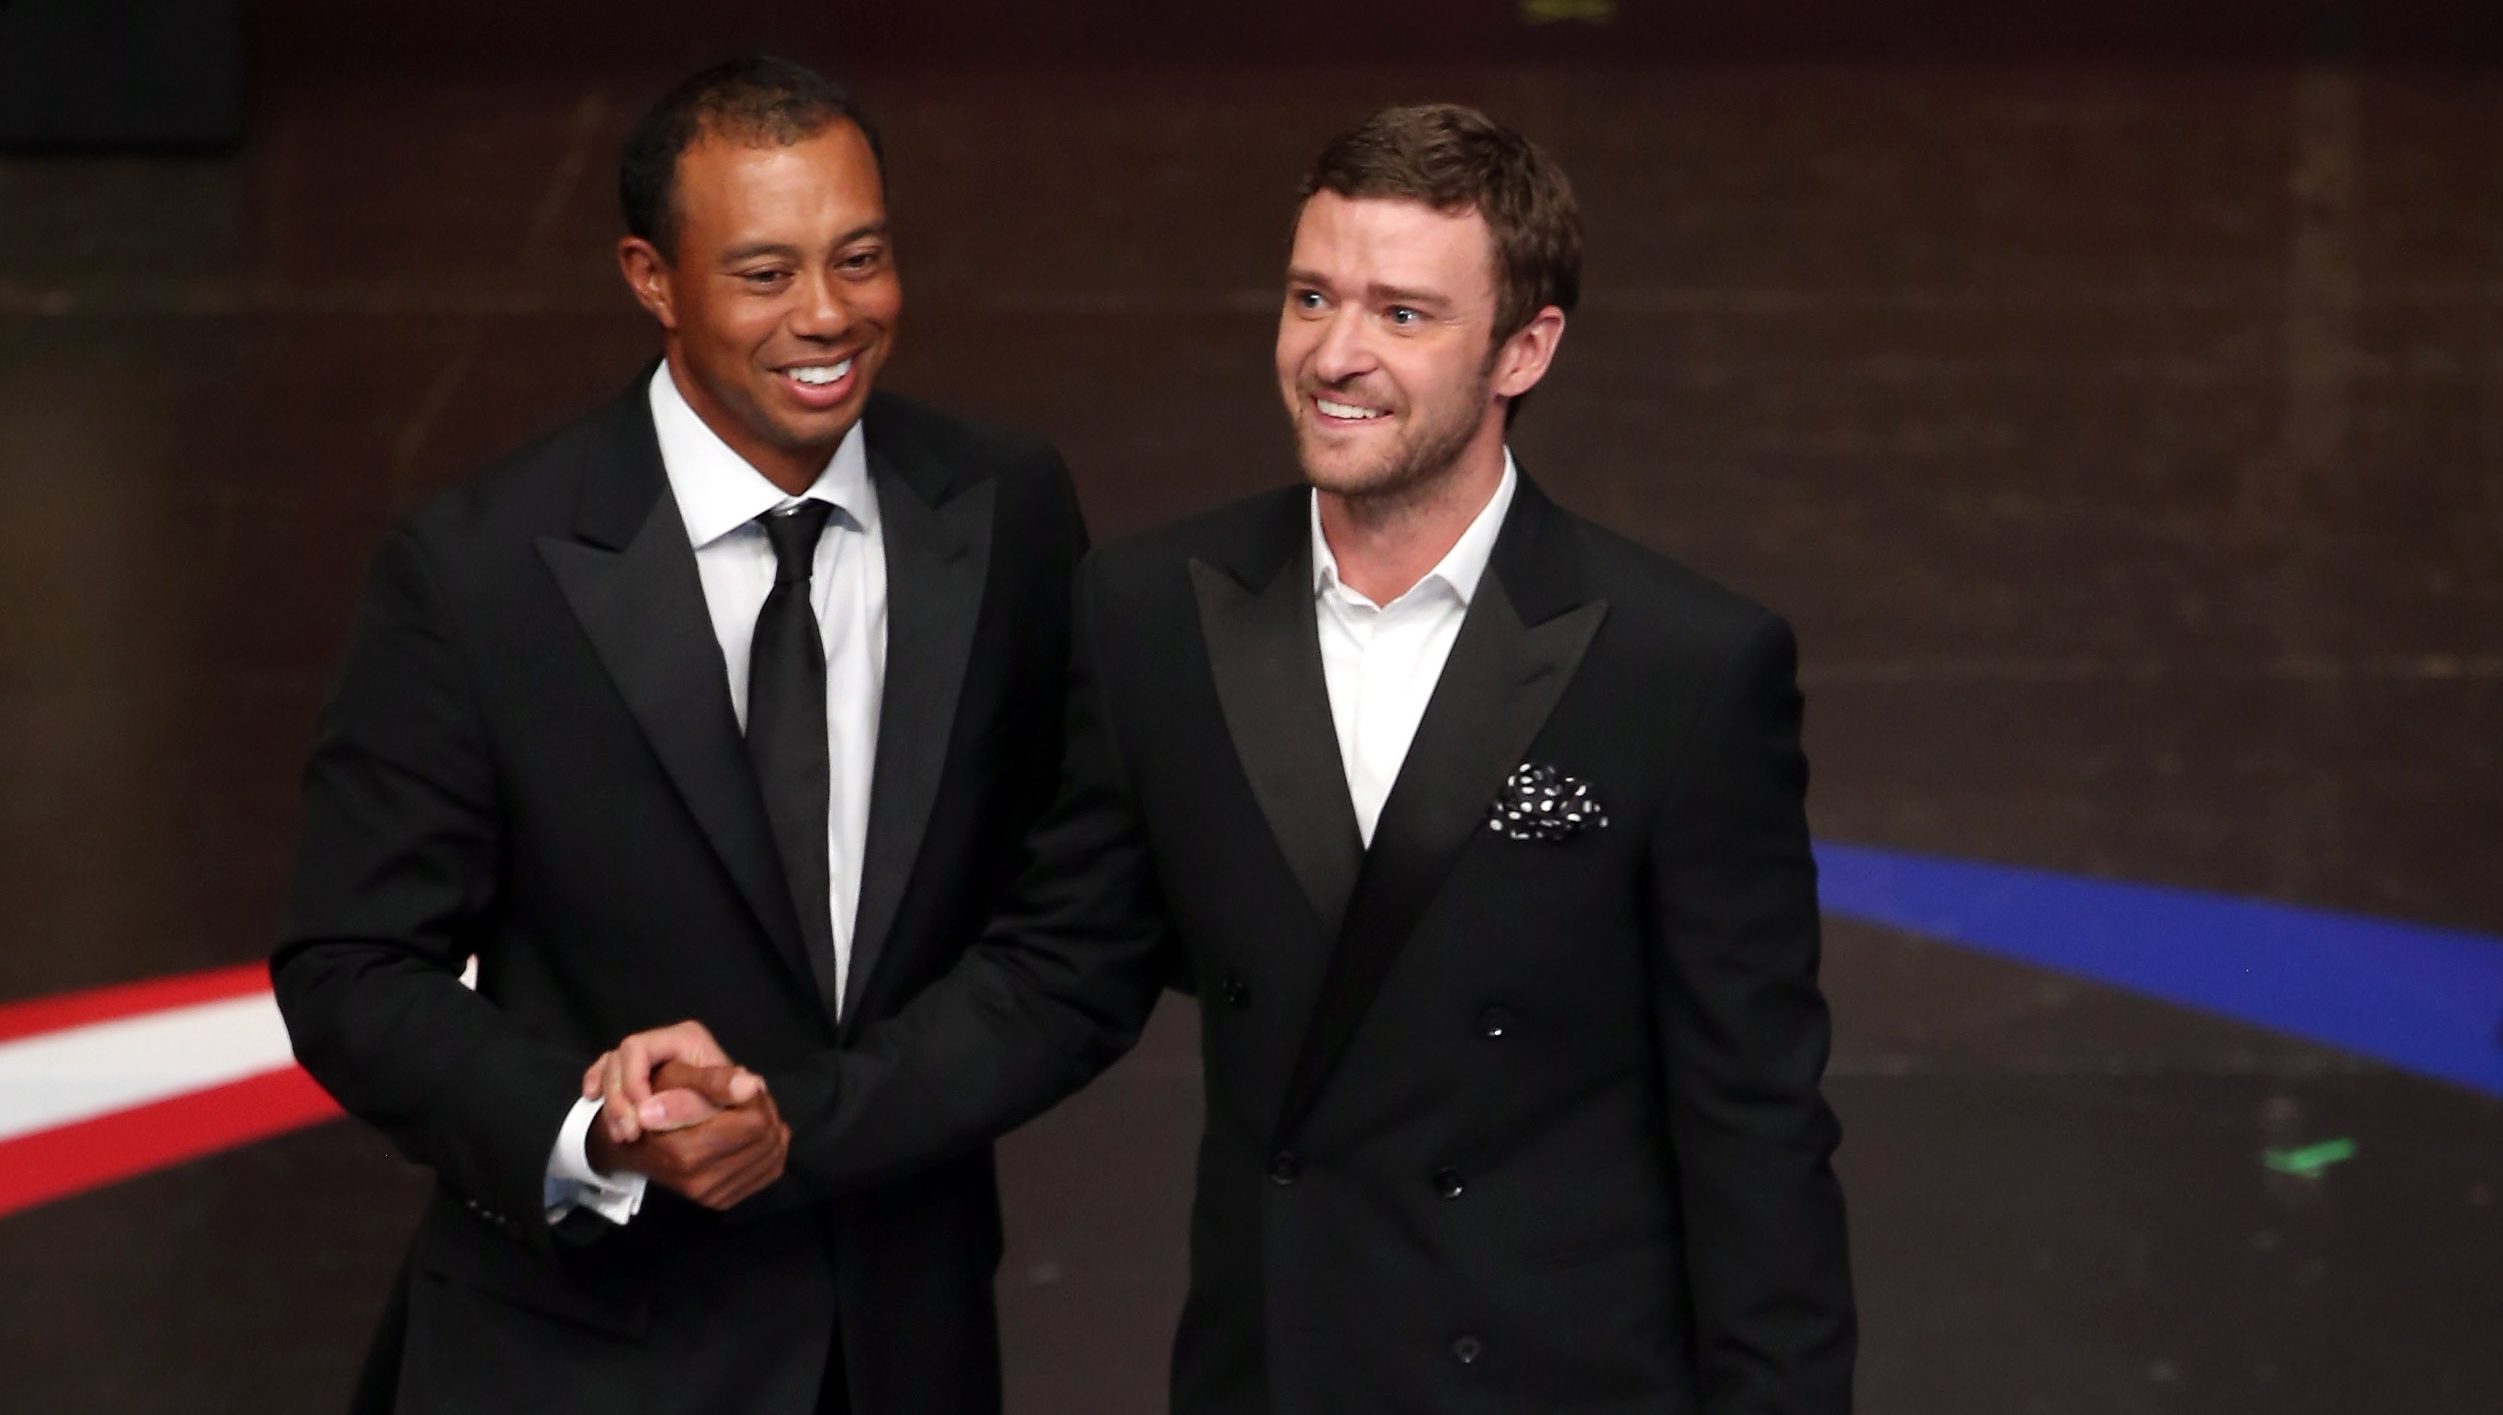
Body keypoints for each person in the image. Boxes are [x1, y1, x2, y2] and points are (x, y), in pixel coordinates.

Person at [606, 102, 1855, 1413]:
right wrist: (790, 1116)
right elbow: (1059, 981)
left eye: (1403, 315)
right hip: (1278, 1371)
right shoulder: (1153, 618)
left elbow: (1757, 1131)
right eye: (1313, 296)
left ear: (1523, 350)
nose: (1336, 354)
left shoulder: (1682, 667)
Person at [270, 57, 1088, 1415]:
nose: (829, 316)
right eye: (765, 273)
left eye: (862, 257)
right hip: (578, 1354)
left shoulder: (1005, 511)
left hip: (904, 1343)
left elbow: (1068, 928)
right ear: (652, 278)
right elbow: (351, 966)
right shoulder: (478, 574)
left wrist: (808, 1129)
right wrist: (599, 1132)